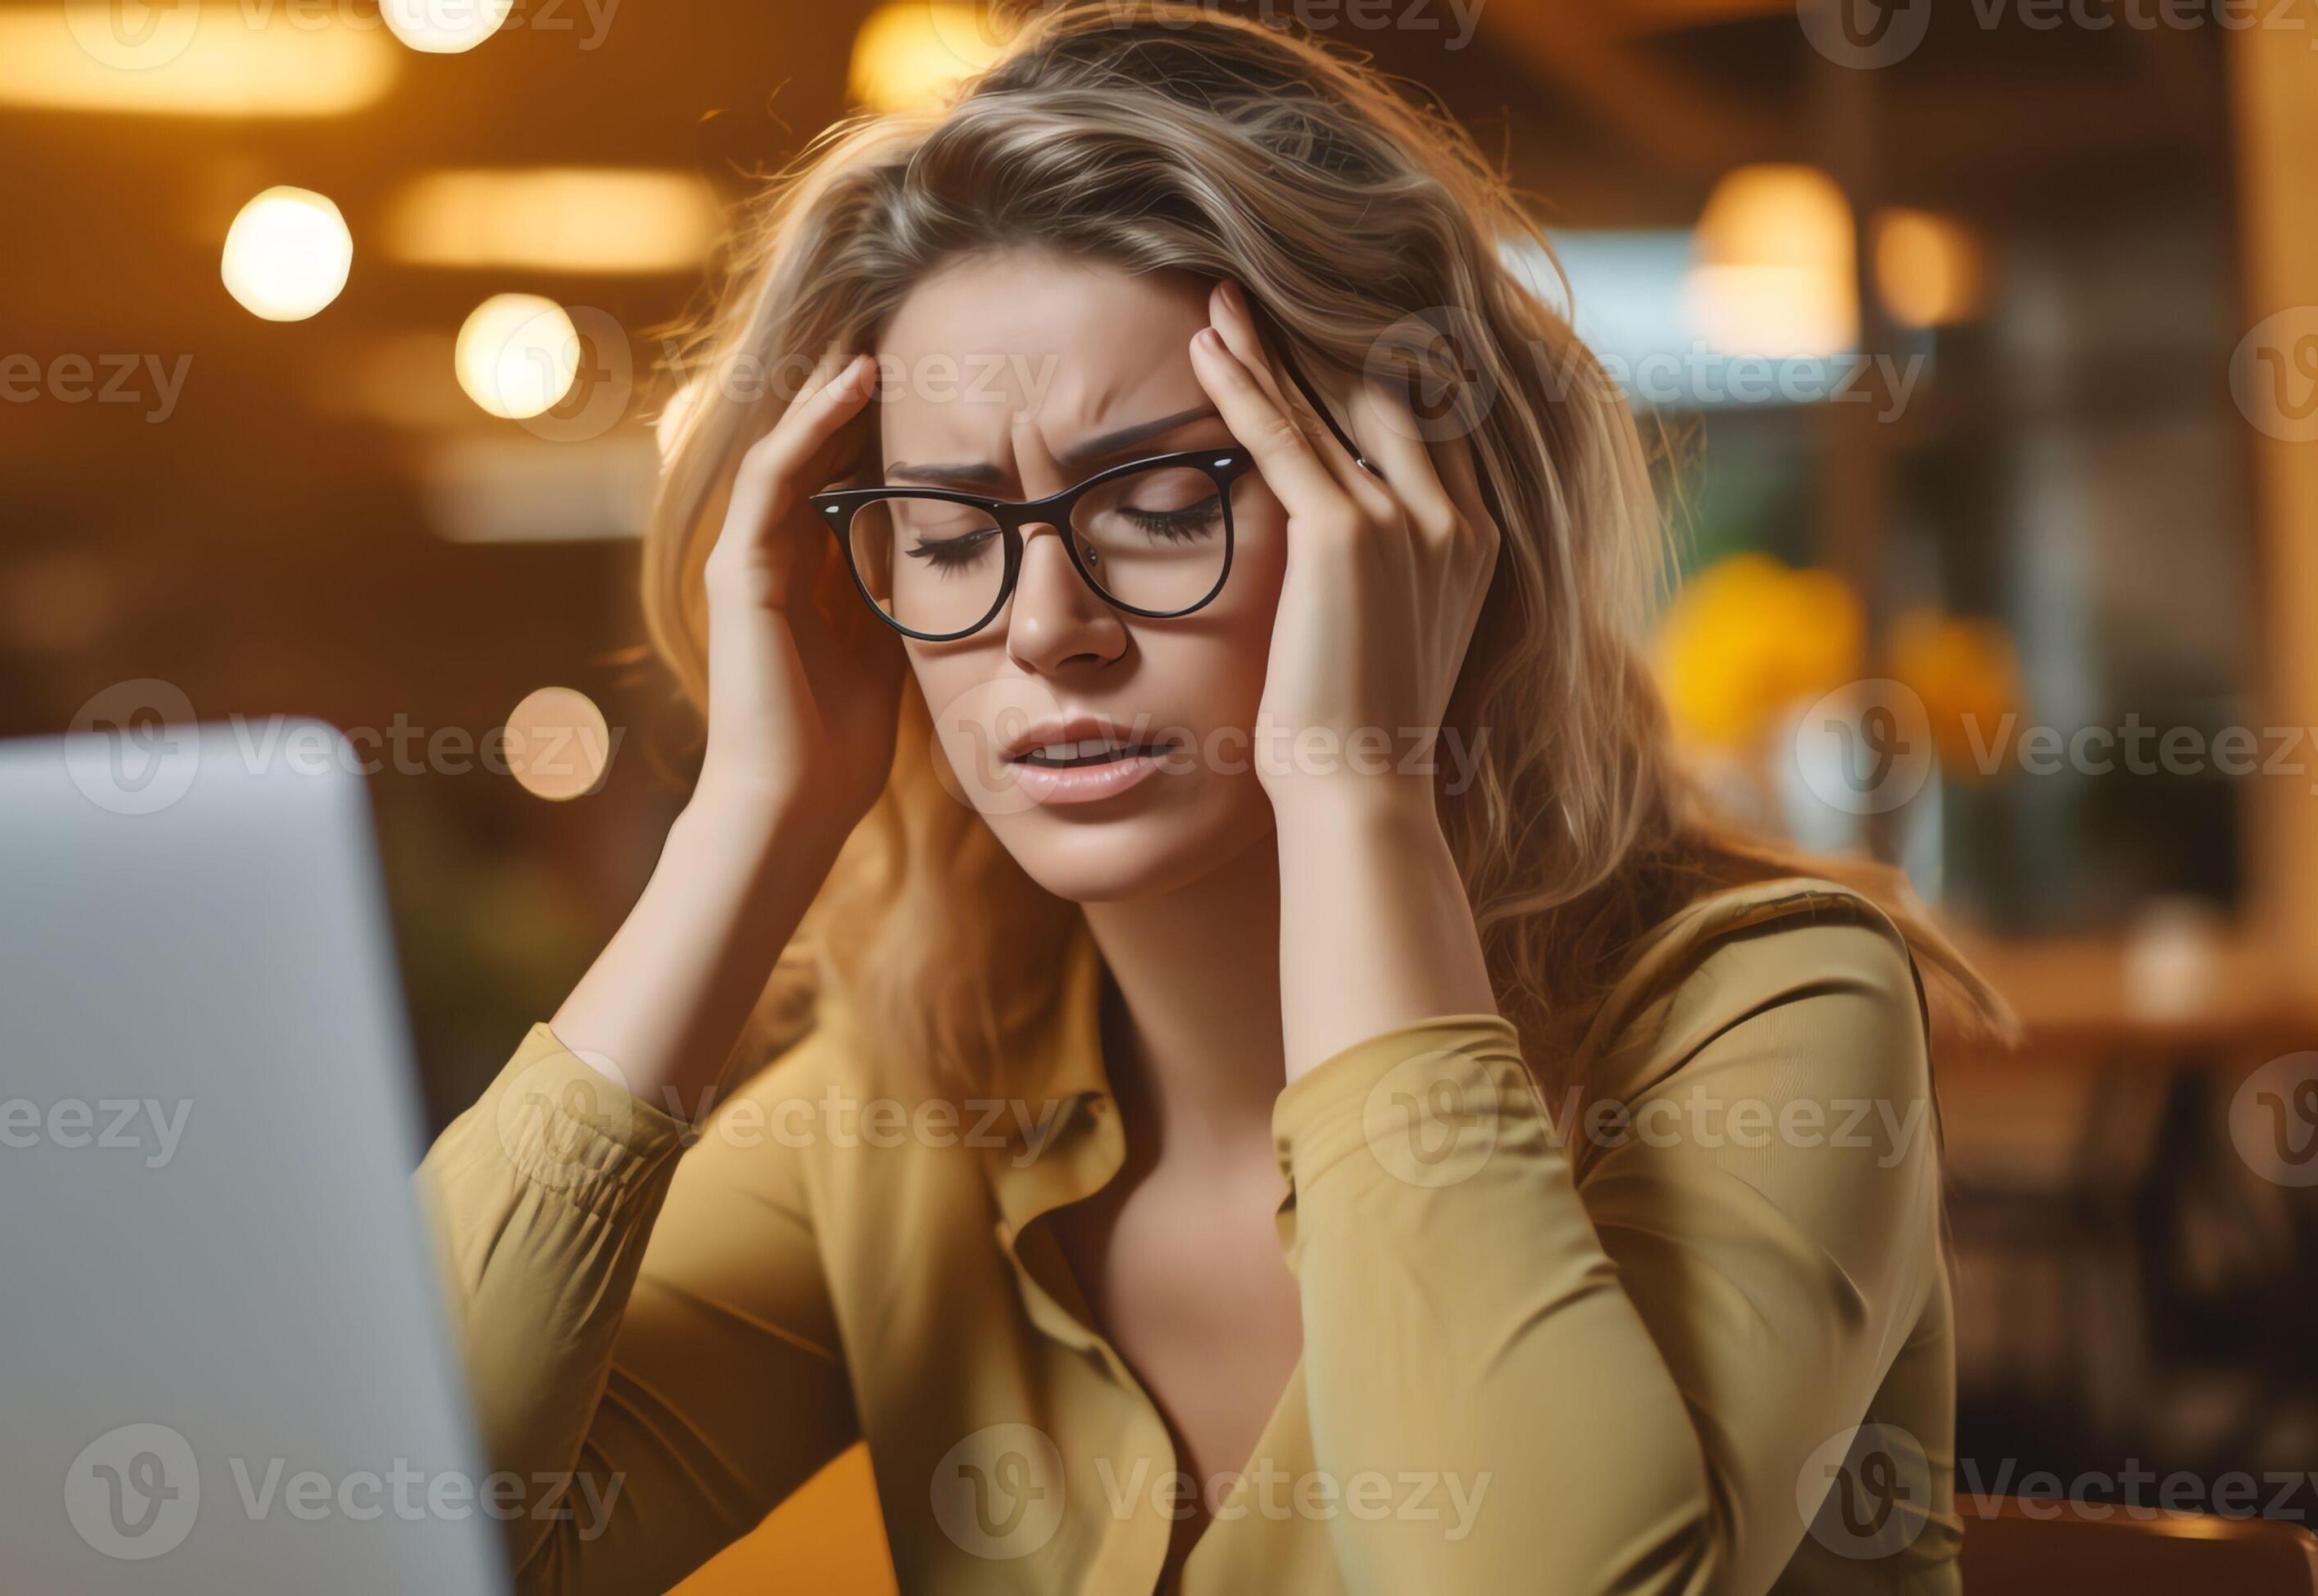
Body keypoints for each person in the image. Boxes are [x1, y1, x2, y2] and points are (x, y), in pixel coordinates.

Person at [422, 7, 2006, 1590]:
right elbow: (371, 1528)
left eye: (1167, 503)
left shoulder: (1771, 1005)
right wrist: (750, 816)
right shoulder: (913, 1099)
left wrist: (1356, 793)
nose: (1045, 627)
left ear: (1422, 522)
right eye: (949, 535)